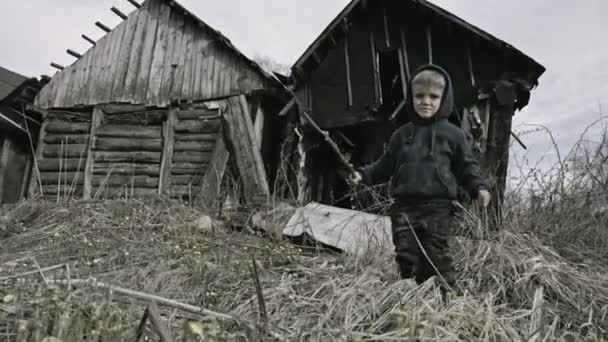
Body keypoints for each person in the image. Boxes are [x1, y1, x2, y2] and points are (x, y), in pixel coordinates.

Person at [349, 64, 491, 291]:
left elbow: (467, 166)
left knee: (437, 255)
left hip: (438, 207)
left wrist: (479, 188)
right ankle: (412, 298)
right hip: (404, 207)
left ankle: (446, 297)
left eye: (433, 96)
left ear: (444, 99)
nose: (426, 101)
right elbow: (384, 166)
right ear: (411, 98)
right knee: (407, 255)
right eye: (420, 96)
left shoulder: (453, 134)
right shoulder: (402, 134)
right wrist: (362, 175)